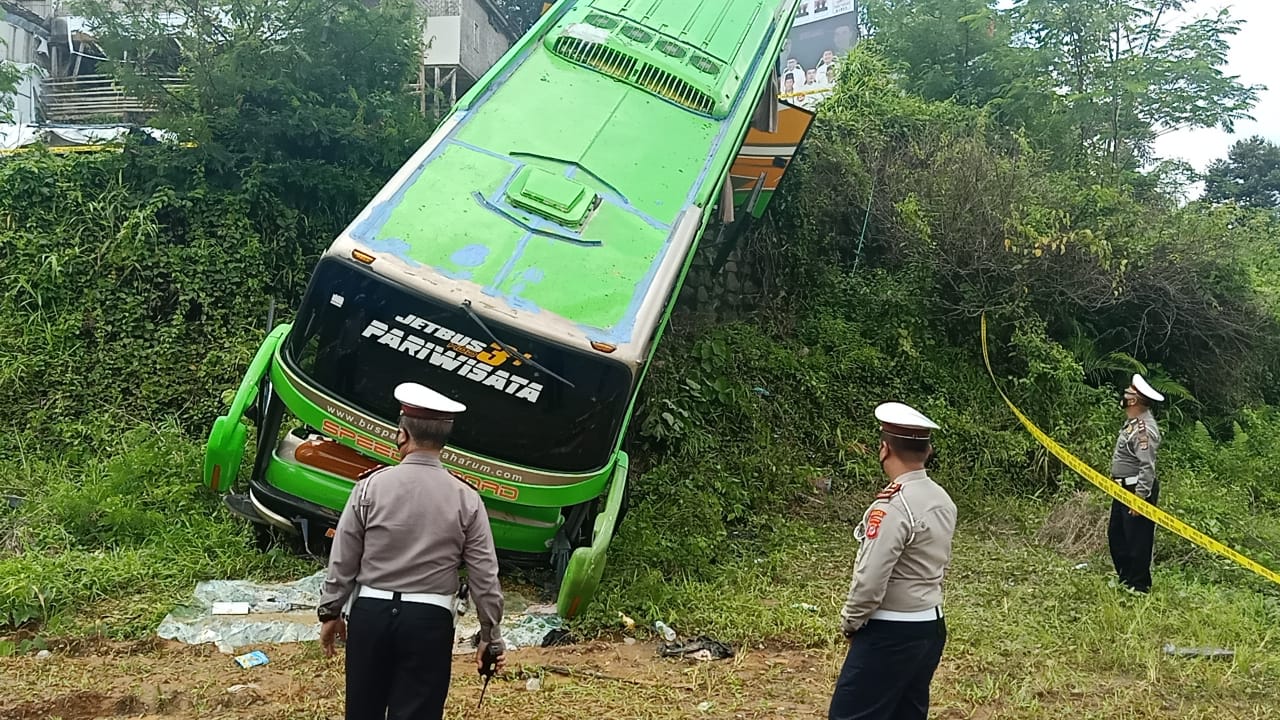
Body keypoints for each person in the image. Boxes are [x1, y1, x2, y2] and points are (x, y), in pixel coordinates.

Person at [317, 382, 505, 720]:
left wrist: (330, 612)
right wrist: (490, 637)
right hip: (429, 623)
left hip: (369, 616)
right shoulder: (467, 499)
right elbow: (484, 577)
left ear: (402, 435)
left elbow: (343, 559)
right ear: (445, 440)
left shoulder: (369, 487)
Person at [829, 402, 957, 720]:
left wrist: (851, 622)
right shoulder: (942, 499)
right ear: (926, 451)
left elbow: (871, 579)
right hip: (930, 626)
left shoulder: (892, 507)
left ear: (884, 449)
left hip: (890, 631)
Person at [1108, 373, 1164, 594]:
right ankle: (1125, 579)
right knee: (1117, 536)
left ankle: (1139, 586)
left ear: (1134, 400)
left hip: (1136, 490)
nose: (1124, 395)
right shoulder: (1132, 423)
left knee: (1137, 541)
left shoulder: (1144, 431)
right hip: (1122, 489)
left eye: (1127, 393)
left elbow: (1147, 467)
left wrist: (1139, 498)